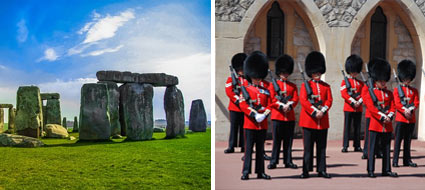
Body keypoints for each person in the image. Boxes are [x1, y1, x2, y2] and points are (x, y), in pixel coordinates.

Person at [299, 51, 333, 179]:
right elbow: (304, 100)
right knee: (308, 148)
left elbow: (329, 100)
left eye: (319, 72)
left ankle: (321, 170)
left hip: (322, 121)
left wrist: (323, 111)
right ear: (311, 73)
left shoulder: (326, 86)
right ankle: (306, 170)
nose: (317, 75)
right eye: (315, 73)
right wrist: (314, 111)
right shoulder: (305, 85)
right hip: (309, 121)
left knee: (322, 148)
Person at [239, 51, 272, 180]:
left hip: (262, 124)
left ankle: (260, 172)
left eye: (259, 77)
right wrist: (254, 114)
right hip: (250, 124)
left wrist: (264, 114)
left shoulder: (265, 90)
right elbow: (243, 105)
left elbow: (270, 104)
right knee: (248, 150)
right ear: (250, 75)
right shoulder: (246, 90)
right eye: (255, 77)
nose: (257, 80)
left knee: (260, 150)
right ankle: (246, 171)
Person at [363, 58, 398, 178]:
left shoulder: (389, 93)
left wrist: (390, 115)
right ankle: (371, 169)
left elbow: (393, 106)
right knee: (372, 148)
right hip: (375, 124)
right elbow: (371, 108)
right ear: (376, 80)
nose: (383, 83)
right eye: (380, 81)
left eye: (384, 81)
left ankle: (386, 169)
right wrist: (382, 116)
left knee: (387, 148)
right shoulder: (370, 92)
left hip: (387, 126)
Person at [267, 54, 299, 169]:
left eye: (286, 73)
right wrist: (281, 106)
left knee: (288, 142)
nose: (285, 75)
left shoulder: (293, 86)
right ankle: (273, 161)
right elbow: (271, 99)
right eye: (283, 73)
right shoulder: (273, 85)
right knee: (276, 141)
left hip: (289, 117)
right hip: (277, 116)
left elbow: (295, 99)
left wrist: (289, 106)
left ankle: (288, 161)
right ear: (279, 72)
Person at [393, 60, 419, 168]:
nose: (407, 81)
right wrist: (405, 110)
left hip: (411, 119)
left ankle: (407, 160)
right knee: (398, 141)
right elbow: (397, 103)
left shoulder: (414, 91)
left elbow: (416, 102)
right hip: (401, 118)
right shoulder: (397, 90)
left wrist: (411, 109)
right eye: (405, 78)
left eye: (408, 79)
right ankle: (395, 161)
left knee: (408, 142)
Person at [341, 55, 364, 153]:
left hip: (358, 108)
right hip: (348, 108)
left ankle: (357, 145)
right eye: (352, 71)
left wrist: (359, 101)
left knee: (357, 127)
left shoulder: (360, 83)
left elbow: (364, 94)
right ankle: (345, 145)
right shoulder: (345, 82)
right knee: (347, 127)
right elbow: (344, 93)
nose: (354, 73)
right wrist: (352, 101)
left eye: (355, 71)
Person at [224, 53, 247, 153]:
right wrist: (237, 99)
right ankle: (231, 146)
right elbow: (229, 91)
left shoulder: (247, 80)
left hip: (244, 107)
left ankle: (243, 145)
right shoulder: (231, 79)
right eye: (240, 69)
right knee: (234, 127)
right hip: (234, 107)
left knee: (243, 127)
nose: (241, 71)